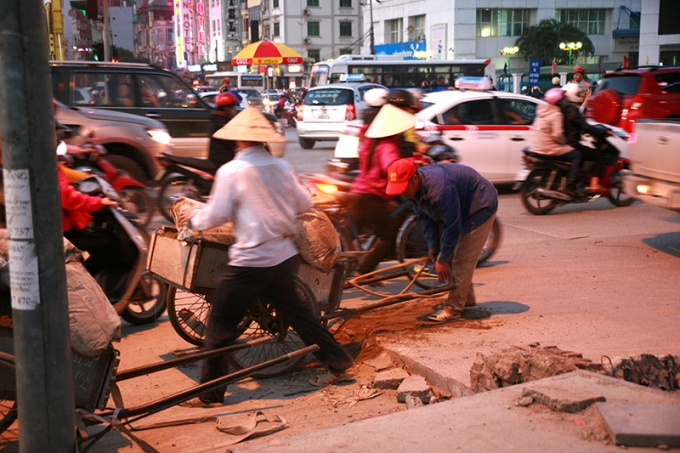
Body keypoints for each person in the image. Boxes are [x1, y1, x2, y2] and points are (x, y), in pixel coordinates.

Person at [177, 107, 354, 407]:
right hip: (283, 256)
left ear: (238, 140)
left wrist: (192, 216)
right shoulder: (281, 167)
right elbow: (303, 202)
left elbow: (216, 215)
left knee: (220, 323)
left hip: (251, 260)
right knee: (299, 314)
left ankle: (210, 395)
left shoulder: (232, 171)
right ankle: (337, 359)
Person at [385, 158, 498, 322]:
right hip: (461, 207)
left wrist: (443, 259)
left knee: (461, 258)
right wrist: (433, 247)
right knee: (453, 255)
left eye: (404, 187)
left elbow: (452, 225)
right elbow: (426, 218)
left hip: (479, 206)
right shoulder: (415, 191)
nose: (402, 193)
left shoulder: (439, 189)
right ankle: (465, 299)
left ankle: (454, 308)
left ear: (415, 178)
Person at [345, 104, 415, 277]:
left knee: (347, 237)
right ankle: (364, 272)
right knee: (390, 236)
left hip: (357, 193)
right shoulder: (387, 145)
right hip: (371, 197)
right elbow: (392, 168)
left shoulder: (370, 141)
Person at [560, 82, 611, 192]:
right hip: (572, 144)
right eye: (580, 94)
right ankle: (594, 185)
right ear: (574, 94)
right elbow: (584, 125)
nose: (582, 97)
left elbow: (577, 125)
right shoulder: (572, 110)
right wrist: (602, 131)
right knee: (598, 156)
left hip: (565, 142)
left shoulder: (564, 108)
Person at [531, 88, 582, 196]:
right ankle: (571, 184)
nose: (564, 101)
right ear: (558, 101)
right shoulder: (556, 114)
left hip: (536, 147)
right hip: (549, 147)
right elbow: (557, 135)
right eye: (563, 99)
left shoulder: (541, 111)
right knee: (577, 155)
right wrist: (564, 142)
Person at [208, 92, 239, 169]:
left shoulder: (217, 118)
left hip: (221, 158)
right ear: (227, 108)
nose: (234, 110)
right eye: (233, 107)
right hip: (221, 161)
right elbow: (230, 141)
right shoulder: (222, 122)